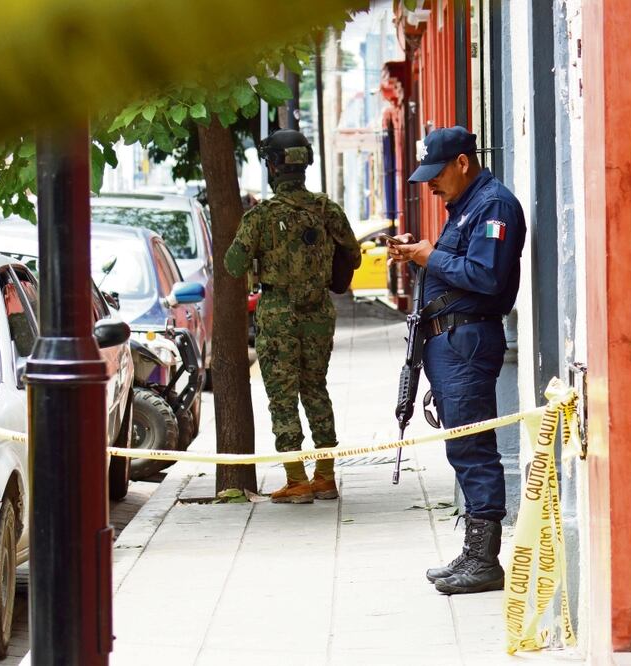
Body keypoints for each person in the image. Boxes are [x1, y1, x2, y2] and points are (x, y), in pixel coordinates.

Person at [388, 126, 526, 595]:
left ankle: (484, 561)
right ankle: (473, 552)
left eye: (437, 173)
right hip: (449, 342)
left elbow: (486, 278)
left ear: (463, 163)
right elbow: (455, 271)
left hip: (467, 341)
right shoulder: (466, 206)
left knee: (473, 447)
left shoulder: (494, 206)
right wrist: (418, 255)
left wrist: (430, 257)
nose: (430, 184)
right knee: (461, 447)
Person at [224, 129, 361, 504]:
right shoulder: (327, 210)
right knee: (316, 388)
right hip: (318, 311)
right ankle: (326, 477)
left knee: (282, 397)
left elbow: (233, 265)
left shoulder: (261, 216)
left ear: (271, 166)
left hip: (277, 313)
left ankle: (297, 480)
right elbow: (354, 255)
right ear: (307, 163)